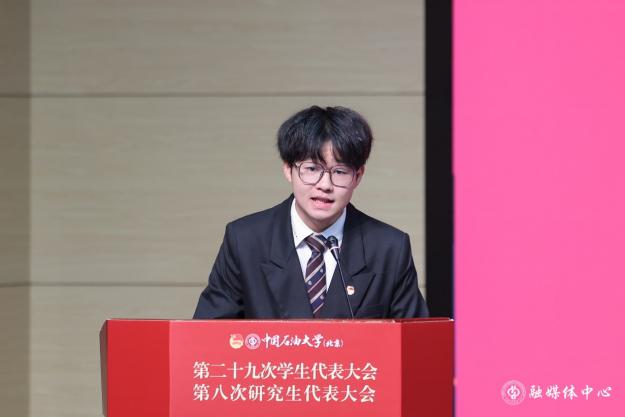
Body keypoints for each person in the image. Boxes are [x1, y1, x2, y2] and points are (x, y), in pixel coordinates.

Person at [193, 106, 428, 319]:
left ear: (358, 176)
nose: (325, 185)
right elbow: (208, 336)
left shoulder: (389, 248)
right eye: (312, 168)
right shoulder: (245, 240)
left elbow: (416, 343)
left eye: (340, 171)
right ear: (288, 169)